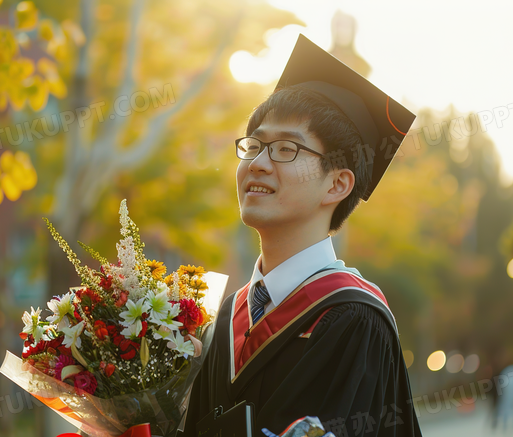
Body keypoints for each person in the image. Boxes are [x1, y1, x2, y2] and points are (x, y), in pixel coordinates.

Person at [178, 34, 422, 436]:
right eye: (253, 146)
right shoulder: (225, 319)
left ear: (337, 184)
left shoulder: (353, 318)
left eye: (286, 149)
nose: (257, 163)